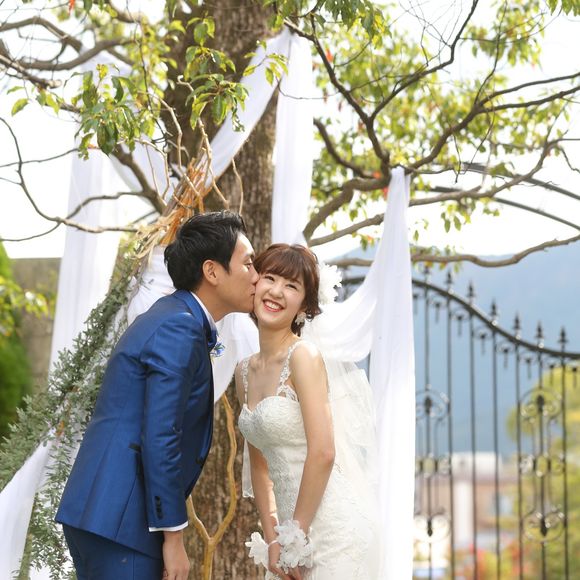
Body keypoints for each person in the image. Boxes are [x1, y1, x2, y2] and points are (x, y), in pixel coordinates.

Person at [56, 211, 258, 580]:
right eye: (248, 264)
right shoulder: (179, 327)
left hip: (107, 515)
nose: (256, 276)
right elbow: (161, 434)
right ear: (212, 272)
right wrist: (173, 537)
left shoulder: (171, 316)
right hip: (123, 521)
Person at [236, 244, 380, 580]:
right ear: (255, 283)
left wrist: (295, 537)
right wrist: (273, 537)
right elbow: (259, 465)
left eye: (291, 285)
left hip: (332, 532)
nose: (276, 291)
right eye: (270, 278)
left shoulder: (304, 356)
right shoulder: (244, 371)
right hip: (289, 536)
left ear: (304, 305)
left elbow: (324, 452)